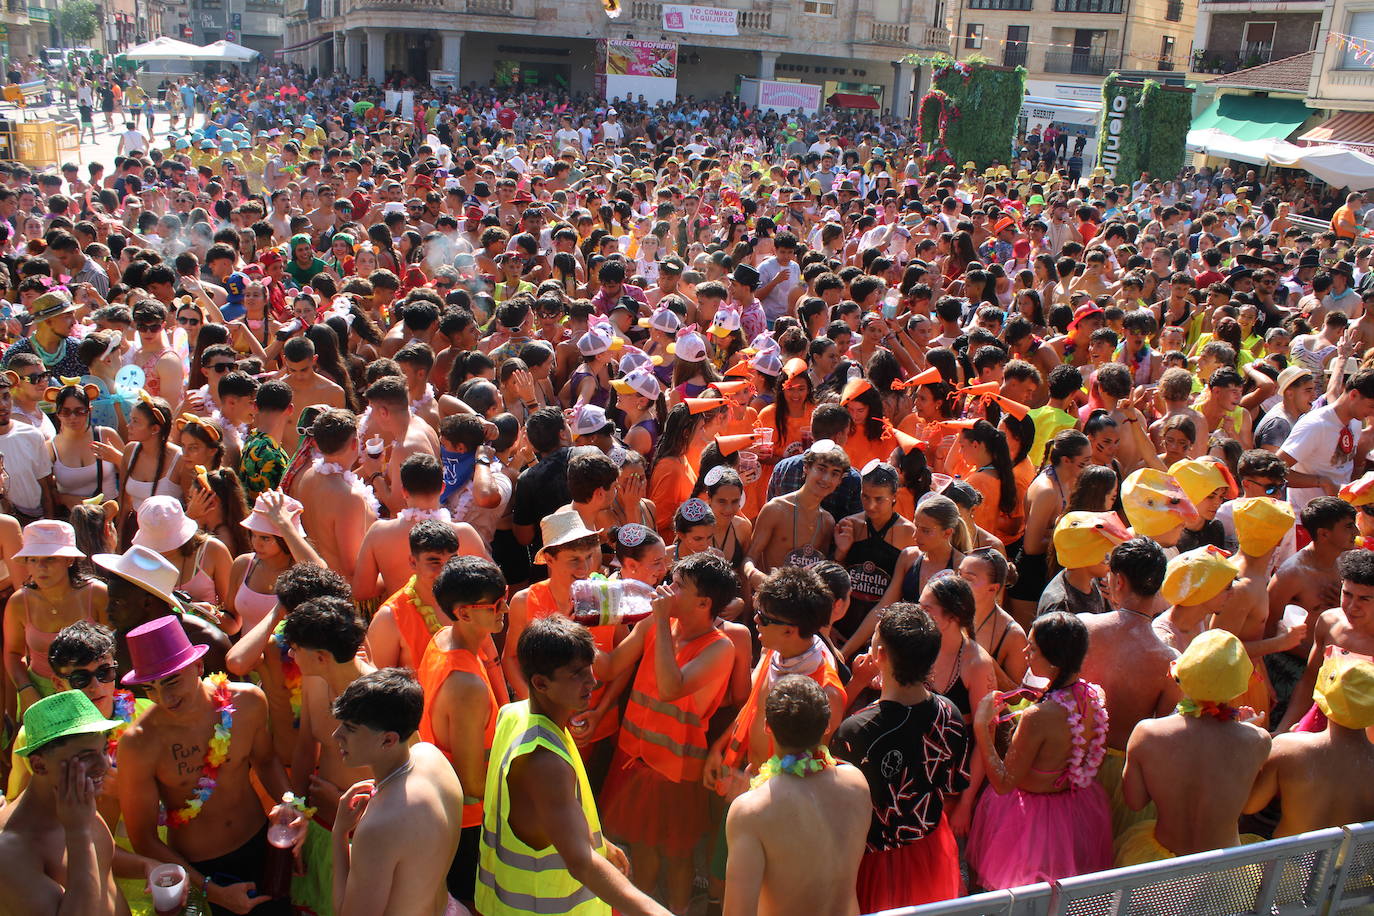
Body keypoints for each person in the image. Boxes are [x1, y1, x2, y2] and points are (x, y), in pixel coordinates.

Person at [475, 615, 672, 916]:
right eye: (577, 674)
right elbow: (581, 862)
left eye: (589, 668)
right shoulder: (545, 764)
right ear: (541, 683)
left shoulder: (513, 714)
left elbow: (551, 816)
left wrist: (599, 841)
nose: (592, 681)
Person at [116, 615, 295, 916]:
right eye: (151, 688)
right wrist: (213, 892)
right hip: (201, 871)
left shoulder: (248, 702)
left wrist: (293, 808)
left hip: (263, 847)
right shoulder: (138, 743)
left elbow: (266, 762)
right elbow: (143, 839)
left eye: (172, 681)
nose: (165, 697)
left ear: (199, 667)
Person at [595, 552, 737, 914]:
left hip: (675, 769)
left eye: (678, 586)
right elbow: (610, 667)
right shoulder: (654, 625)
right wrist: (574, 624)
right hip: (633, 758)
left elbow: (672, 686)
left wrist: (658, 623)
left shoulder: (721, 647)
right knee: (642, 851)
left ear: (703, 603)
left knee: (677, 857)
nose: (665, 589)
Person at [832, 602, 969, 911]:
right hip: (931, 847)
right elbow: (952, 788)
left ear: (880, 656)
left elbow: (840, 810)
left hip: (871, 859)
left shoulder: (857, 729)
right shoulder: (951, 713)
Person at [966, 612, 1113, 888]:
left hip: (1029, 824)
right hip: (1075, 813)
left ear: (1054, 661)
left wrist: (982, 728)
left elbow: (1003, 782)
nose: (1025, 651)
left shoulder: (1039, 716)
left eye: (1032, 648)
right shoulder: (1093, 697)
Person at [1116, 630, 1270, 865]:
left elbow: (1135, 802)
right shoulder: (1258, 740)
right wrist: (1245, 729)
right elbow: (1246, 805)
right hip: (1224, 867)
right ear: (1239, 685)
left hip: (1162, 861)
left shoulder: (1147, 733)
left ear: (1180, 674)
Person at [724, 675, 870, 916]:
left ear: (767, 726)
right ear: (827, 725)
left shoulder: (751, 811)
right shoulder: (857, 783)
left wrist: (750, 798)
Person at [328, 668, 466, 916]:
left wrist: (339, 833)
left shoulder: (380, 826)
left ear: (388, 740)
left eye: (349, 728)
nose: (336, 735)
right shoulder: (433, 758)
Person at [417, 555, 509, 906]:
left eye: (503, 598)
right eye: (495, 604)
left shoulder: (444, 638)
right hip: (468, 822)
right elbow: (473, 784)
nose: (504, 609)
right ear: (464, 612)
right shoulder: (466, 685)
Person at [1079, 537, 1183, 841]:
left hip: (1072, 761)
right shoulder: (1170, 660)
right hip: (1128, 777)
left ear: (1119, 580)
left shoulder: (1083, 628)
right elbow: (1161, 732)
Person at [0, 691, 130, 916]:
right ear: (39, 766)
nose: (105, 764)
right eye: (86, 756)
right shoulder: (10, 851)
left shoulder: (76, 800)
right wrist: (78, 832)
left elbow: (102, 872)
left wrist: (148, 866)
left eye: (104, 750)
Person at [1246, 653, 1374, 837]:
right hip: (1350, 864)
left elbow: (1250, 805)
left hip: (1289, 862)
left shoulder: (1289, 748)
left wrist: (1252, 746)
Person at [1039, 510, 1130, 618]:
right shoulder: (1059, 605)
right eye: (1107, 557)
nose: (1111, 565)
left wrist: (1117, 603)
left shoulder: (1100, 584)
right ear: (1086, 557)